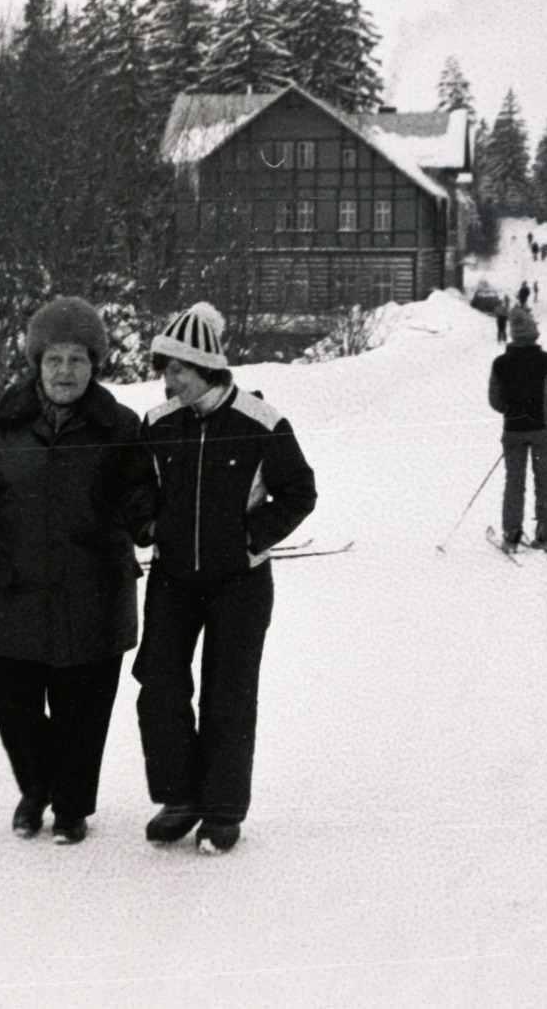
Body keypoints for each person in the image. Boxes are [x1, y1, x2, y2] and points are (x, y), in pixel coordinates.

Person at [0, 296, 152, 845]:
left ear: (94, 364)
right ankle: (36, 789)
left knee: (84, 705)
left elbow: (140, 490)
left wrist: (151, 525)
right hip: (13, 585)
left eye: (77, 359)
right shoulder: (1, 418)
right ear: (36, 362)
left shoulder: (118, 426)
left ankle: (71, 806)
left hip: (92, 587)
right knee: (11, 695)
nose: (65, 371)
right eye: (54, 359)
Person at [133, 303, 317, 855]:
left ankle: (222, 811)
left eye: (179, 370)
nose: (170, 380)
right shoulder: (159, 423)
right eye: (165, 370)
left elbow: (299, 492)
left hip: (241, 583)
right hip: (172, 578)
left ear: (207, 367)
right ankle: (181, 798)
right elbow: (138, 486)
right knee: (159, 684)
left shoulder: (262, 423)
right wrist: (147, 524)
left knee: (228, 696)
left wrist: (251, 538)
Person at [488, 307, 547, 552]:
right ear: (534, 334)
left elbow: (495, 401)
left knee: (514, 482)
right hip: (543, 431)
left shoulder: (500, 363)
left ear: (511, 334)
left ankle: (511, 534)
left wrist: (512, 410)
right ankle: (544, 533)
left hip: (513, 431)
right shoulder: (544, 361)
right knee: (543, 480)